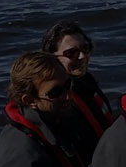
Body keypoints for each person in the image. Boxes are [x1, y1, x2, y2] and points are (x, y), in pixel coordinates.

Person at [41, 20, 113, 153]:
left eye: (86, 48)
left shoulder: (86, 83)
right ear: (52, 56)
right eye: (71, 53)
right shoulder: (56, 98)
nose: (82, 56)